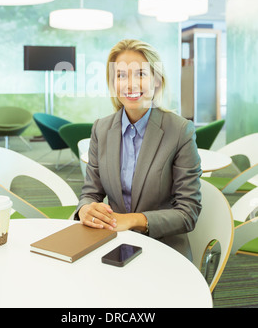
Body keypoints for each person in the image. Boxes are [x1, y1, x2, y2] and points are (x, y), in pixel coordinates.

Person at [75, 39, 202, 260]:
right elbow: (90, 194)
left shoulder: (180, 131)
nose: (130, 85)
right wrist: (85, 208)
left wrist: (134, 219)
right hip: (112, 242)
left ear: (157, 81)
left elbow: (187, 212)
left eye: (140, 74)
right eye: (121, 75)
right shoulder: (101, 129)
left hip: (163, 247)